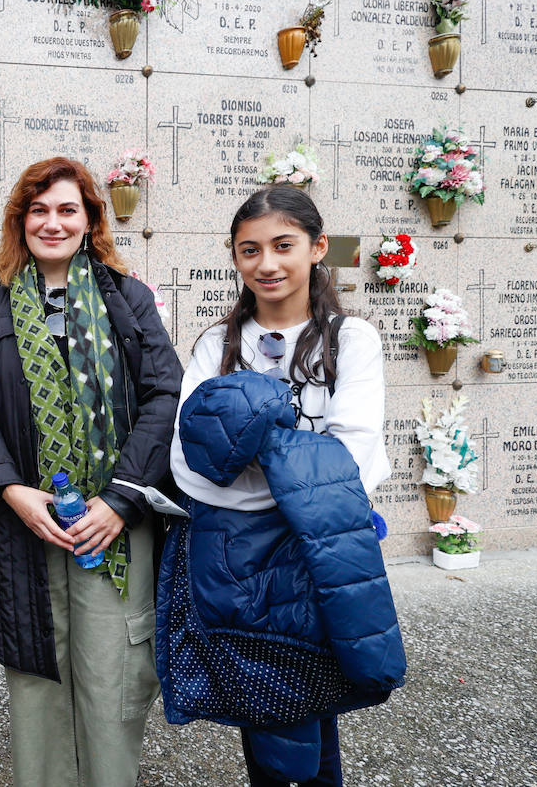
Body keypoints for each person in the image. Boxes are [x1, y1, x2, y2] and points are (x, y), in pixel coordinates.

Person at [0, 157, 182, 787]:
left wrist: (122, 499)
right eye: (39, 210)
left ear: (89, 221)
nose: (52, 223)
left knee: (111, 676)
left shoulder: (126, 298)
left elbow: (164, 396)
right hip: (27, 526)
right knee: (37, 677)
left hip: (113, 526)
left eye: (66, 210)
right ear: (21, 220)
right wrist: (10, 488)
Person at [165, 185, 403, 785]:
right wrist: (294, 471)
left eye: (282, 245)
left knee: (316, 694)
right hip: (235, 557)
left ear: (318, 247)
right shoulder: (213, 345)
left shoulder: (350, 341)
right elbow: (189, 465)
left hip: (315, 552)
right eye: (249, 250)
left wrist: (248, 444)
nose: (266, 264)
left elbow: (351, 456)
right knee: (265, 703)